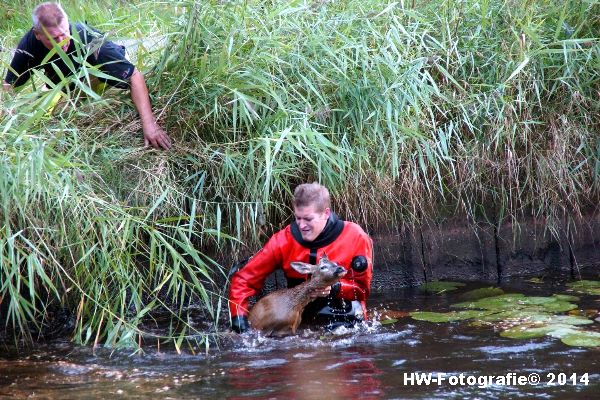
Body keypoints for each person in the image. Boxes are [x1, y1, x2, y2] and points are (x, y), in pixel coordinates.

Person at [2, 2, 171, 150]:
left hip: (102, 77)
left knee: (65, 113)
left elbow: (134, 75)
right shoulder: (29, 45)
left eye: (65, 33)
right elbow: (9, 86)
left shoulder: (88, 40)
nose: (63, 41)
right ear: (38, 35)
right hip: (64, 84)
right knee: (37, 116)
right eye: (54, 38)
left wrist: (150, 125)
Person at [229, 182, 373, 333]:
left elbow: (363, 291)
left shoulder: (355, 236)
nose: (301, 225)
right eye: (298, 218)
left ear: (326, 213)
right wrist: (239, 321)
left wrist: (335, 287)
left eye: (308, 219)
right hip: (298, 313)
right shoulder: (283, 241)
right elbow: (243, 280)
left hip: (345, 314)